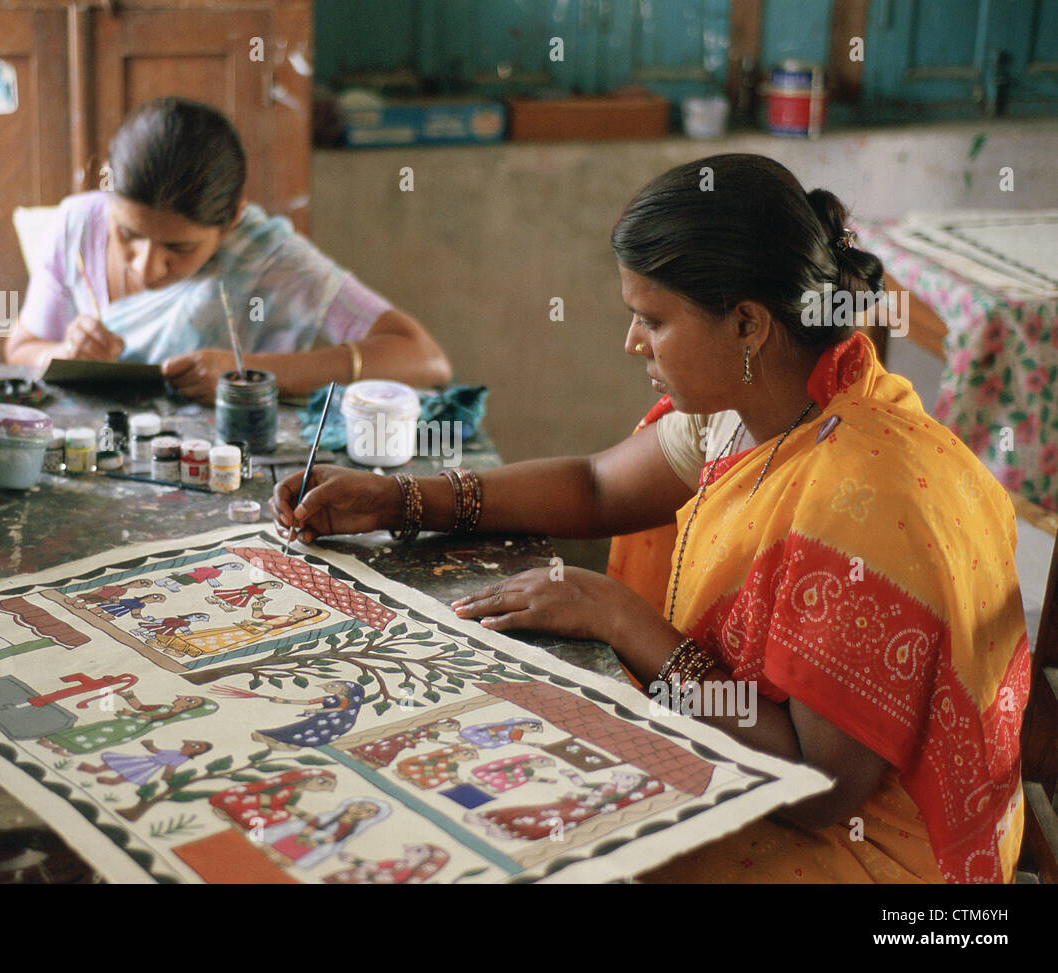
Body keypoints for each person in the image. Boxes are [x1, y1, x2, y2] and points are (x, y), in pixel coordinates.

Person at [270, 154, 1032, 884]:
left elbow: (818, 784)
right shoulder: (762, 404)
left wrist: (626, 622)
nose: (631, 340)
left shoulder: (858, 500)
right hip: (790, 785)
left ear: (747, 325)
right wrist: (403, 498)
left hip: (869, 854)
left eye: (652, 320)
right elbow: (599, 486)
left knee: (534, 828)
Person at [4, 97, 451, 401]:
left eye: (178, 246)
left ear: (231, 221)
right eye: (128, 234)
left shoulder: (266, 258)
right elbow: (21, 348)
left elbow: (425, 359)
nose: (147, 266)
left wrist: (252, 371)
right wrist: (62, 352)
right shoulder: (78, 224)